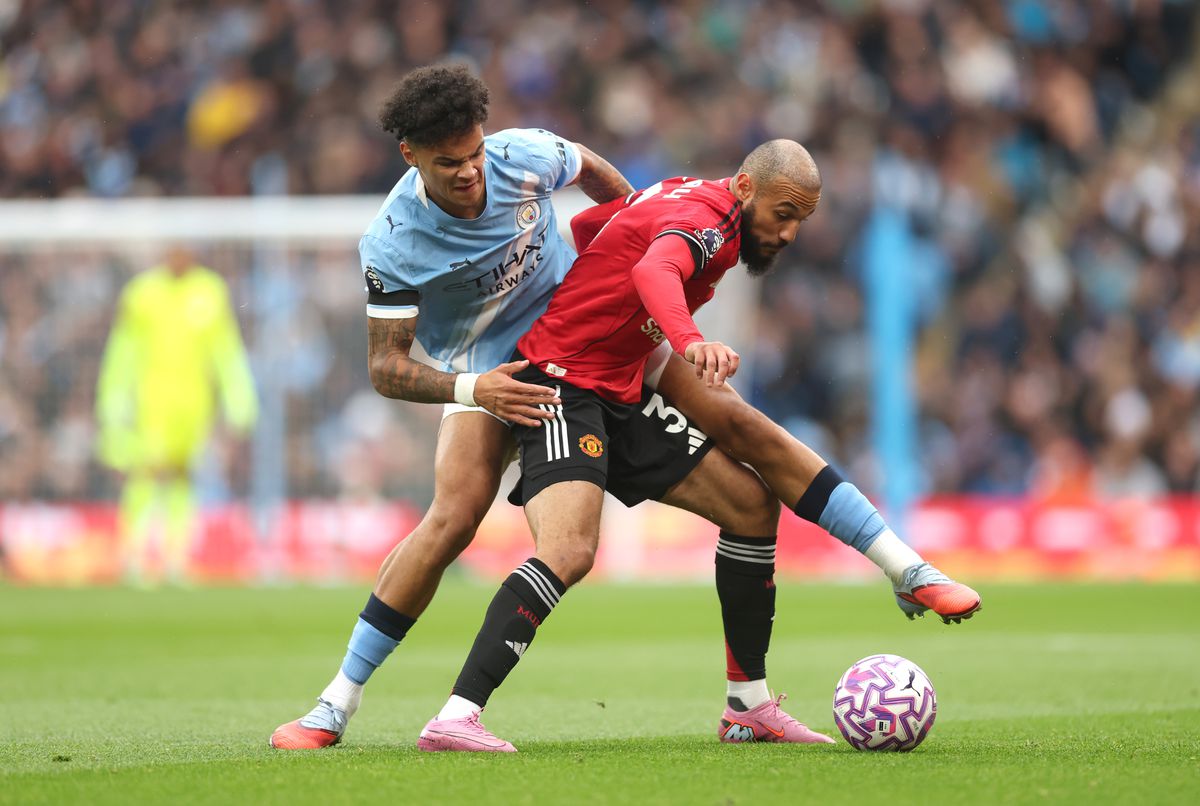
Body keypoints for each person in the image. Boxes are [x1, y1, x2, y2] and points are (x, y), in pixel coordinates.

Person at [271, 64, 976, 751]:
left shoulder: (522, 156)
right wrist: (474, 389)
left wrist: (635, 228)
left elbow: (596, 177)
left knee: (745, 457)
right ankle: (338, 701)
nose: (470, 172)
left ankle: (815, 648)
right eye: (449, 163)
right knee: (454, 521)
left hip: (599, 333)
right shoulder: (393, 242)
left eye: (474, 153)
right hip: (498, 370)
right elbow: (387, 368)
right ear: (411, 156)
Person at [95, 246, 258, 585]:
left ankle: (175, 558)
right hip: (151, 400)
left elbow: (225, 350)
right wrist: (114, 397)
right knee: (146, 473)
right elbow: (123, 349)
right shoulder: (141, 293)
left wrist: (239, 399)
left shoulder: (210, 291)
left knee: (183, 477)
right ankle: (135, 555)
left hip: (194, 403)